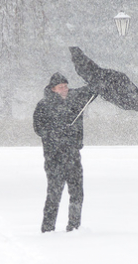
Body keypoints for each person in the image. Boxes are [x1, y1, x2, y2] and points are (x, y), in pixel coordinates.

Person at [33, 72, 97, 233]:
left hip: (73, 156)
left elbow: (88, 93)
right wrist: (55, 134)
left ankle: (74, 226)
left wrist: (98, 87)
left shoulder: (75, 102)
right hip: (54, 157)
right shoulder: (44, 105)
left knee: (77, 192)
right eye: (61, 87)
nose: (65, 89)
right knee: (54, 194)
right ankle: (48, 228)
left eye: (66, 86)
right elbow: (38, 128)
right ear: (53, 89)